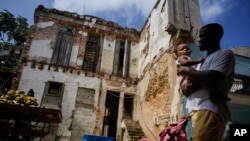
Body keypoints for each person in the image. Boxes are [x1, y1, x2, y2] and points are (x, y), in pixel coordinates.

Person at [177, 23, 235, 141]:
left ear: (214, 36)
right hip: (198, 110)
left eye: (202, 36)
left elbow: (209, 77)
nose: (198, 39)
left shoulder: (223, 54)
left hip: (210, 108)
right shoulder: (201, 62)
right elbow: (190, 87)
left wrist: (186, 70)